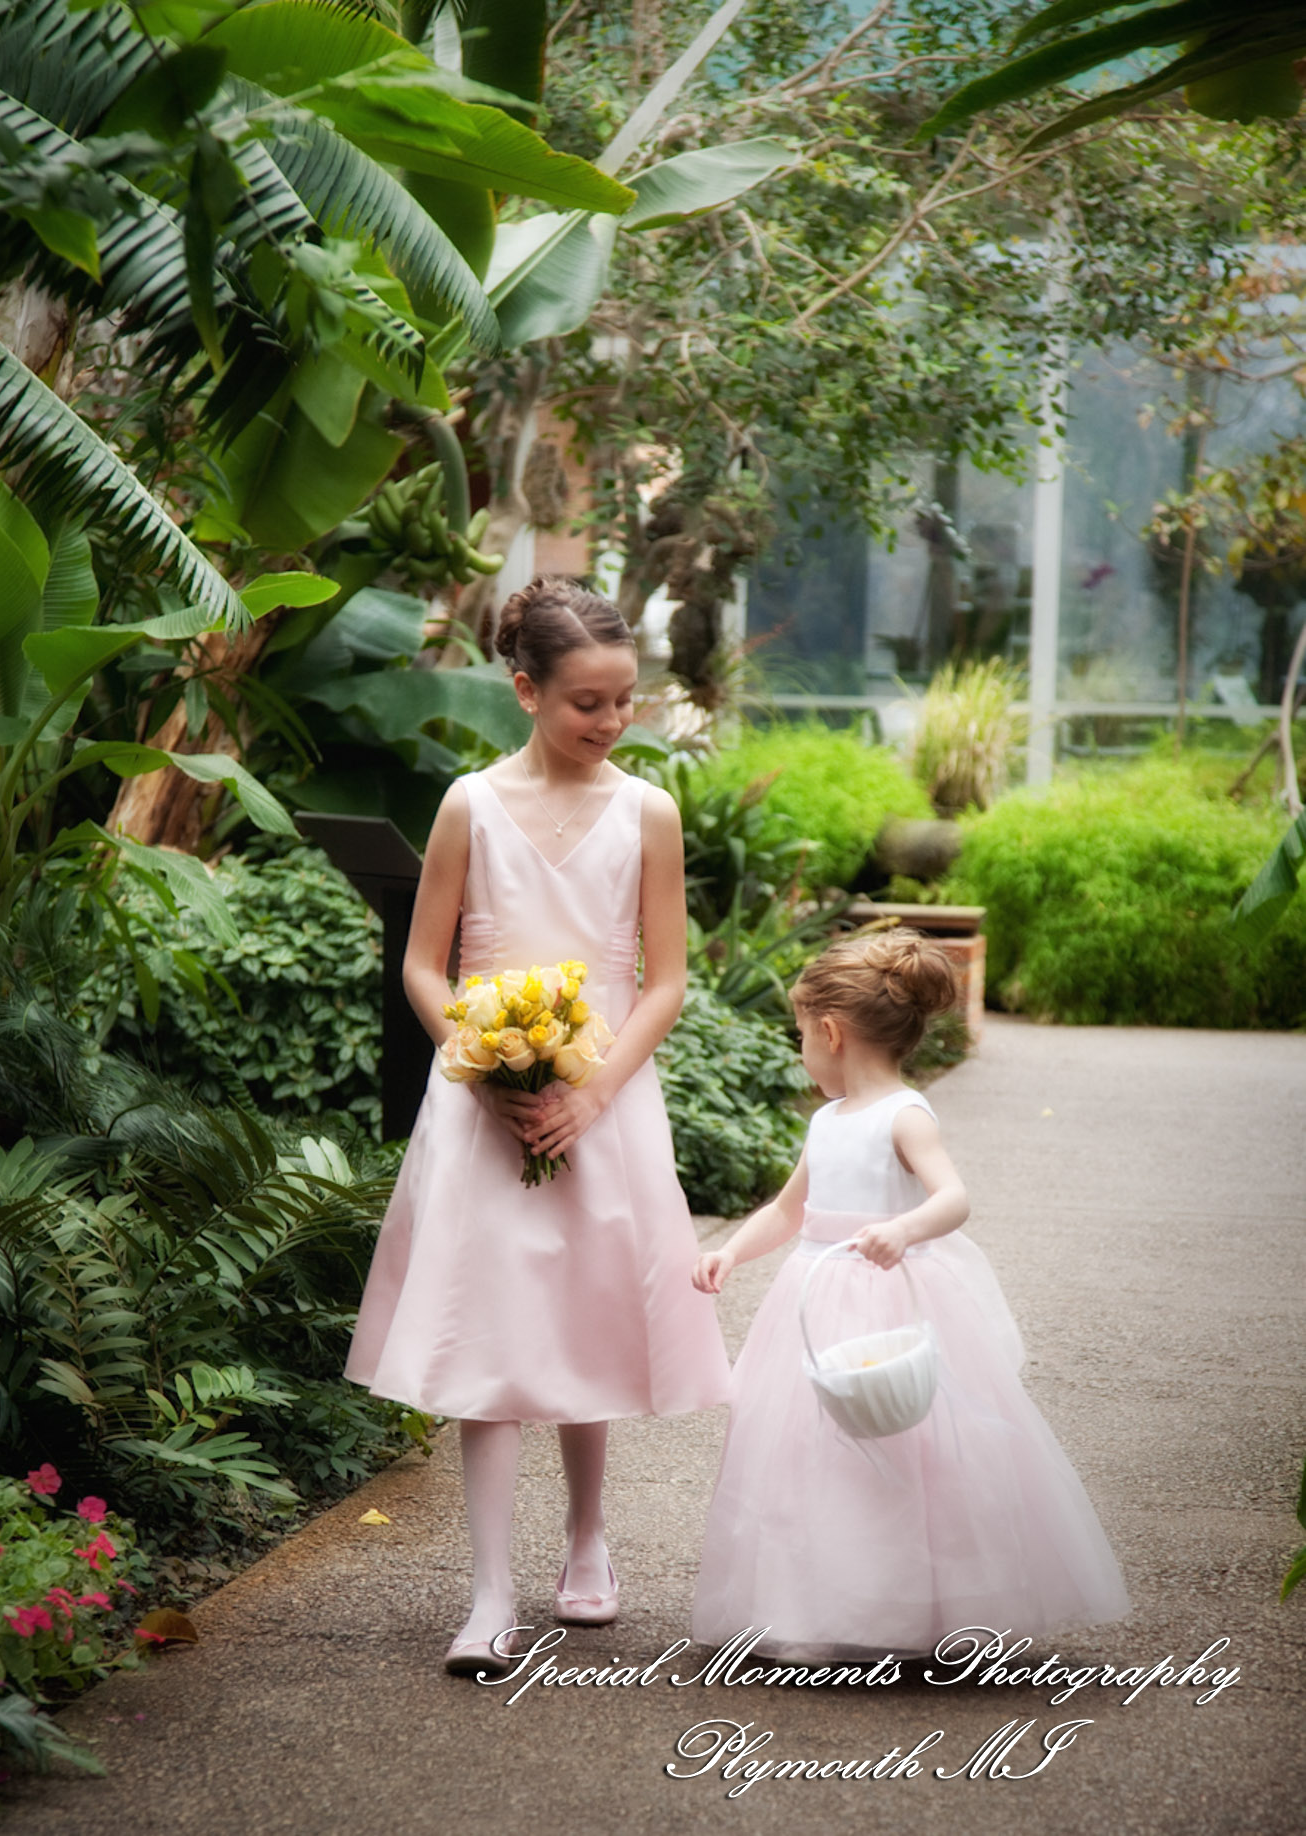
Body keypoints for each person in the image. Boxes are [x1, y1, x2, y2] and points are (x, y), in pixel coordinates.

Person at [345, 575, 730, 1678]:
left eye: (623, 703)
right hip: (482, 1108)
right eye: (586, 704)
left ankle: (589, 1536)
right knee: (493, 1334)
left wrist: (590, 1091)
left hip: (602, 1102)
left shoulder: (648, 812)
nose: (610, 724)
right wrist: (481, 1065)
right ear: (525, 690)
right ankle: (488, 1596)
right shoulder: (468, 802)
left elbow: (665, 980)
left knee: (585, 1317)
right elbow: (424, 962)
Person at [691, 930, 1130, 1659]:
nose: (802, 1048)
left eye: (801, 1034)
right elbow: (788, 1211)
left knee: (904, 1449)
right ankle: (815, 1606)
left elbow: (953, 1198)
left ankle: (912, 1608)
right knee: (811, 1454)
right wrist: (730, 1250)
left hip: (888, 1309)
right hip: (812, 1305)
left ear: (830, 1032)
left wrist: (903, 1229)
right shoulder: (825, 1121)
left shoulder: (904, 1115)